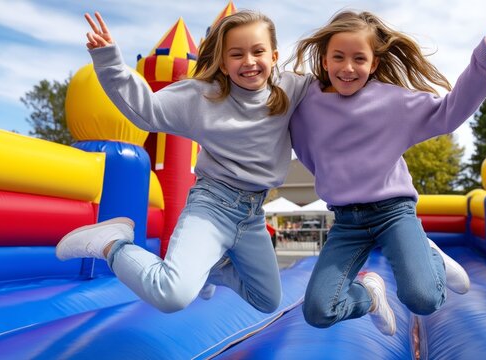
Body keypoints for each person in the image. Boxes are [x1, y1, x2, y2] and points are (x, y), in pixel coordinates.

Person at [56, 11, 311, 313]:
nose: (249, 61)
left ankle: (210, 266)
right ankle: (113, 243)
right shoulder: (204, 97)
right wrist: (110, 61)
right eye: (236, 54)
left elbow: (338, 88)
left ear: (274, 55)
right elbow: (146, 111)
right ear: (223, 62)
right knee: (171, 295)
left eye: (258, 52)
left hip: (252, 214)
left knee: (267, 300)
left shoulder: (290, 90)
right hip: (213, 204)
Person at [289, 9, 486, 335]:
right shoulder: (307, 105)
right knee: (318, 309)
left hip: (392, 213)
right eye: (338, 57)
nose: (347, 67)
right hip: (346, 221)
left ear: (373, 64)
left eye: (359, 58)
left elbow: (449, 112)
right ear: (325, 61)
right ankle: (370, 296)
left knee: (423, 298)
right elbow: (305, 151)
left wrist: (485, 60)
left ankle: (433, 260)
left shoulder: (392, 102)